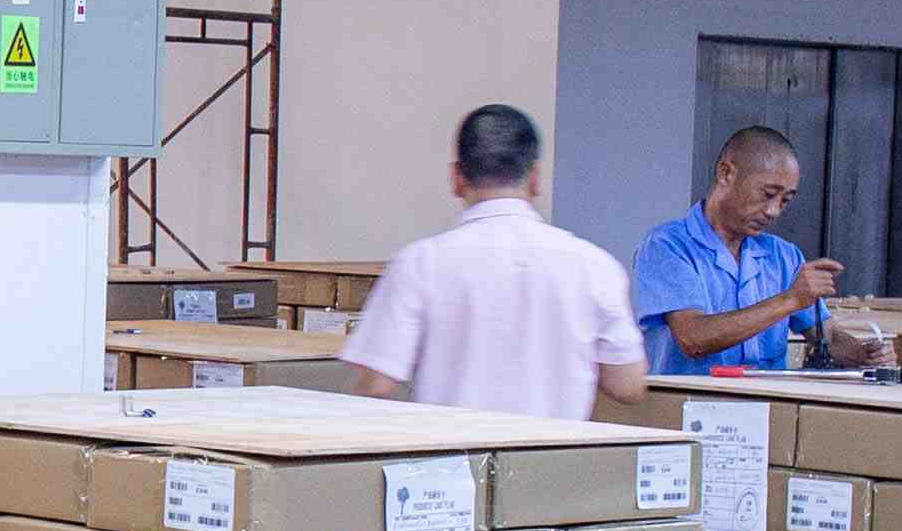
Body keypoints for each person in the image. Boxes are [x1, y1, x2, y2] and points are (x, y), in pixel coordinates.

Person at [340, 105, 648, 421]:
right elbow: (628, 385)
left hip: (452, 451)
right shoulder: (595, 266)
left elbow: (376, 383)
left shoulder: (420, 263)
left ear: (457, 178)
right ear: (534, 178)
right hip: (556, 451)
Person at [634, 126, 862, 375]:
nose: (774, 211)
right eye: (768, 194)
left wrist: (865, 354)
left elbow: (827, 336)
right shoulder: (667, 245)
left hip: (771, 398)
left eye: (785, 200)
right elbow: (693, 338)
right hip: (691, 398)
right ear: (726, 173)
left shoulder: (783, 256)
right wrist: (789, 300)